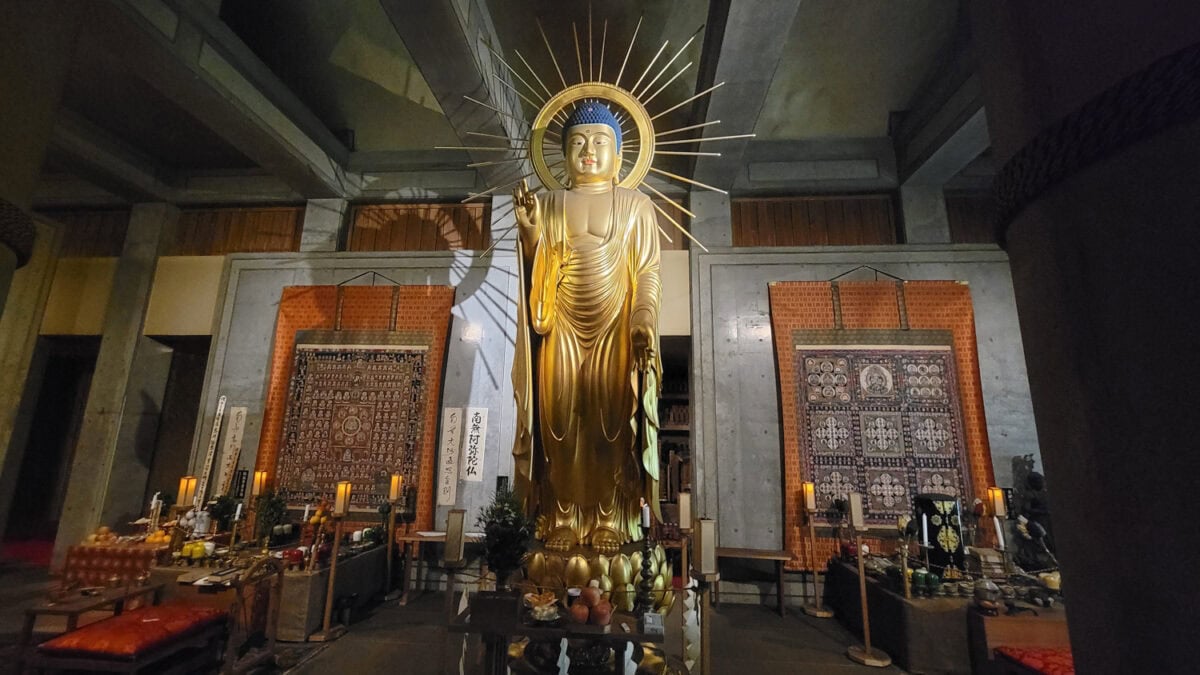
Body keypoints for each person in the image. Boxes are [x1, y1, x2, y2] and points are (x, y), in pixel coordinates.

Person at [511, 101, 662, 554]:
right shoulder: (552, 202)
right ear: (562, 155)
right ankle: (561, 516)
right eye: (577, 143)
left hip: (615, 325)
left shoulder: (637, 205)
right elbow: (537, 267)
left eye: (600, 142)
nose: (588, 151)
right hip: (559, 325)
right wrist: (531, 232)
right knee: (559, 422)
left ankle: (610, 517)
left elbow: (648, 271)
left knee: (610, 424)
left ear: (619, 155)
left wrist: (643, 319)